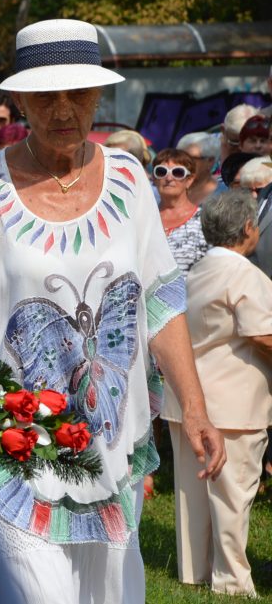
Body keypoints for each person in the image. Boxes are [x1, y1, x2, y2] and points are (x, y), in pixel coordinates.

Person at [0, 19, 225, 604]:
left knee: (113, 593)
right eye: (45, 95)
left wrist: (195, 406)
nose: (63, 109)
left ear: (98, 96)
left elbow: (159, 306)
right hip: (9, 445)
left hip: (108, 447)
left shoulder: (132, 180)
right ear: (20, 100)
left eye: (78, 93)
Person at [160, 189, 272, 597]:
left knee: (193, 494)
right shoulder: (245, 273)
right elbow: (261, 333)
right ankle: (232, 581)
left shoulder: (195, 270)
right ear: (248, 228)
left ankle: (195, 573)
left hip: (187, 396)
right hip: (234, 399)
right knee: (233, 493)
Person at [153, 148, 208, 273]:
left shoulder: (205, 221)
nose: (168, 178)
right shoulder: (143, 219)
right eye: (161, 172)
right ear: (155, 179)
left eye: (177, 172)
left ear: (189, 180)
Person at [177, 131, 222, 204]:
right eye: (178, 157)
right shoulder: (168, 187)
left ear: (210, 161)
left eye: (190, 158)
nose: (181, 162)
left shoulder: (223, 196)